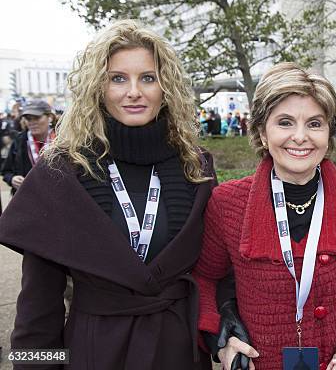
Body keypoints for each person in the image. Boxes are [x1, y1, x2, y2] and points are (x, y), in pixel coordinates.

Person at [0, 20, 216, 370]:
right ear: (97, 87)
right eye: (118, 78)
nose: (134, 91)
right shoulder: (61, 171)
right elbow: (37, 312)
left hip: (179, 351)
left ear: (167, 87)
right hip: (95, 351)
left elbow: (213, 273)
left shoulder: (197, 166)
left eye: (148, 77)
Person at [194, 62, 336, 370]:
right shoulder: (227, 204)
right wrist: (219, 342)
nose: (300, 137)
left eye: (314, 124)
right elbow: (204, 279)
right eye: (285, 122)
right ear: (262, 132)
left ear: (329, 132)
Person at [1, 99, 55, 195]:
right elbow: (6, 171)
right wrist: (12, 179)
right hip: (26, 200)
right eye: (28, 118)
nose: (32, 122)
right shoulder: (19, 141)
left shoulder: (61, 141)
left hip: (56, 199)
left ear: (49, 117)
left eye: (37, 117)